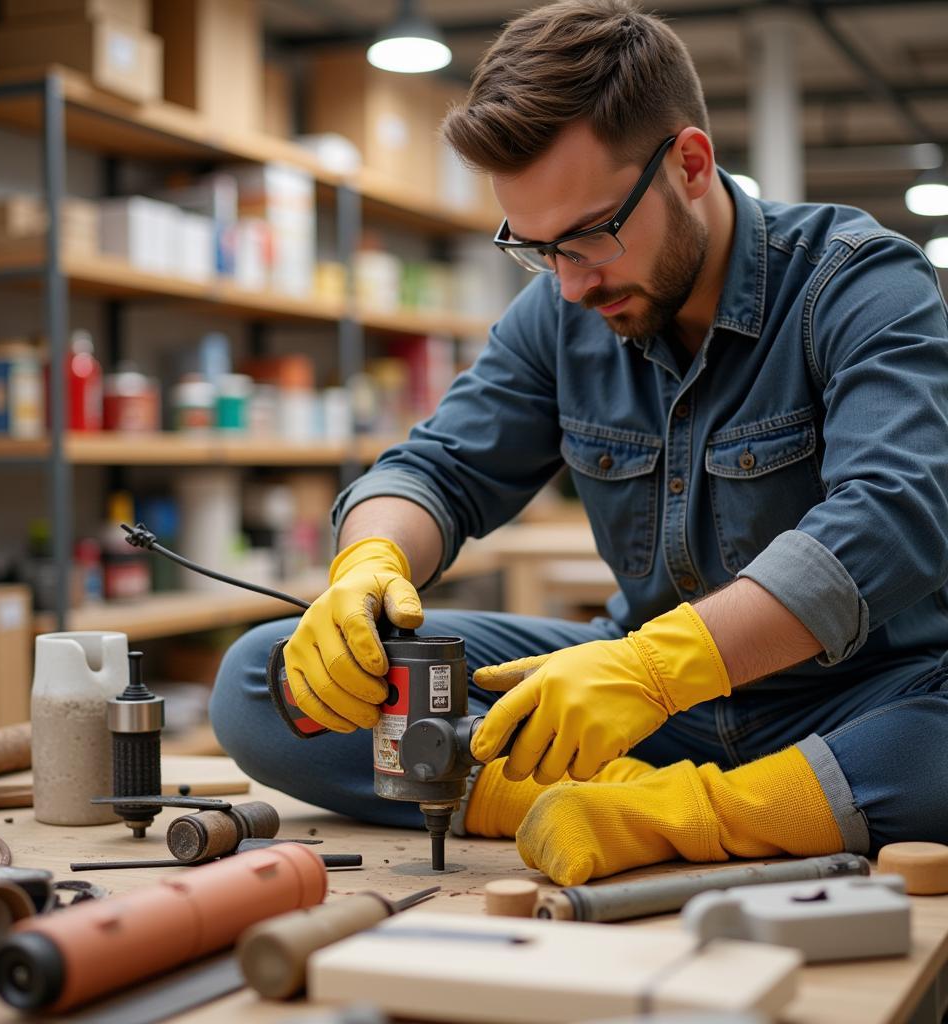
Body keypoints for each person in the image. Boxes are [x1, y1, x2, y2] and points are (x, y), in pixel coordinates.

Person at [210, 0, 948, 886]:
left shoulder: (860, 281)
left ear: (690, 163)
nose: (568, 285)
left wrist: (655, 669)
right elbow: (437, 468)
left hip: (858, 701)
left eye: (591, 235)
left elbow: (895, 512)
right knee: (264, 681)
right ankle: (585, 801)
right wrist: (367, 562)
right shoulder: (564, 315)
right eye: (536, 248)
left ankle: (692, 813)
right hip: (636, 717)